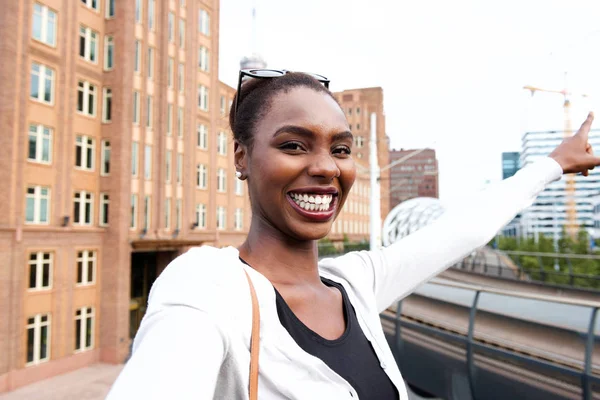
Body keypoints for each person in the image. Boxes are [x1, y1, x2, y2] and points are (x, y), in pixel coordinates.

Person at [107, 70, 599, 400]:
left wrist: (552, 164)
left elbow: (461, 229)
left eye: (340, 150)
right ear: (241, 157)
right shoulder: (209, 288)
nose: (324, 167)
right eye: (294, 145)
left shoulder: (355, 284)